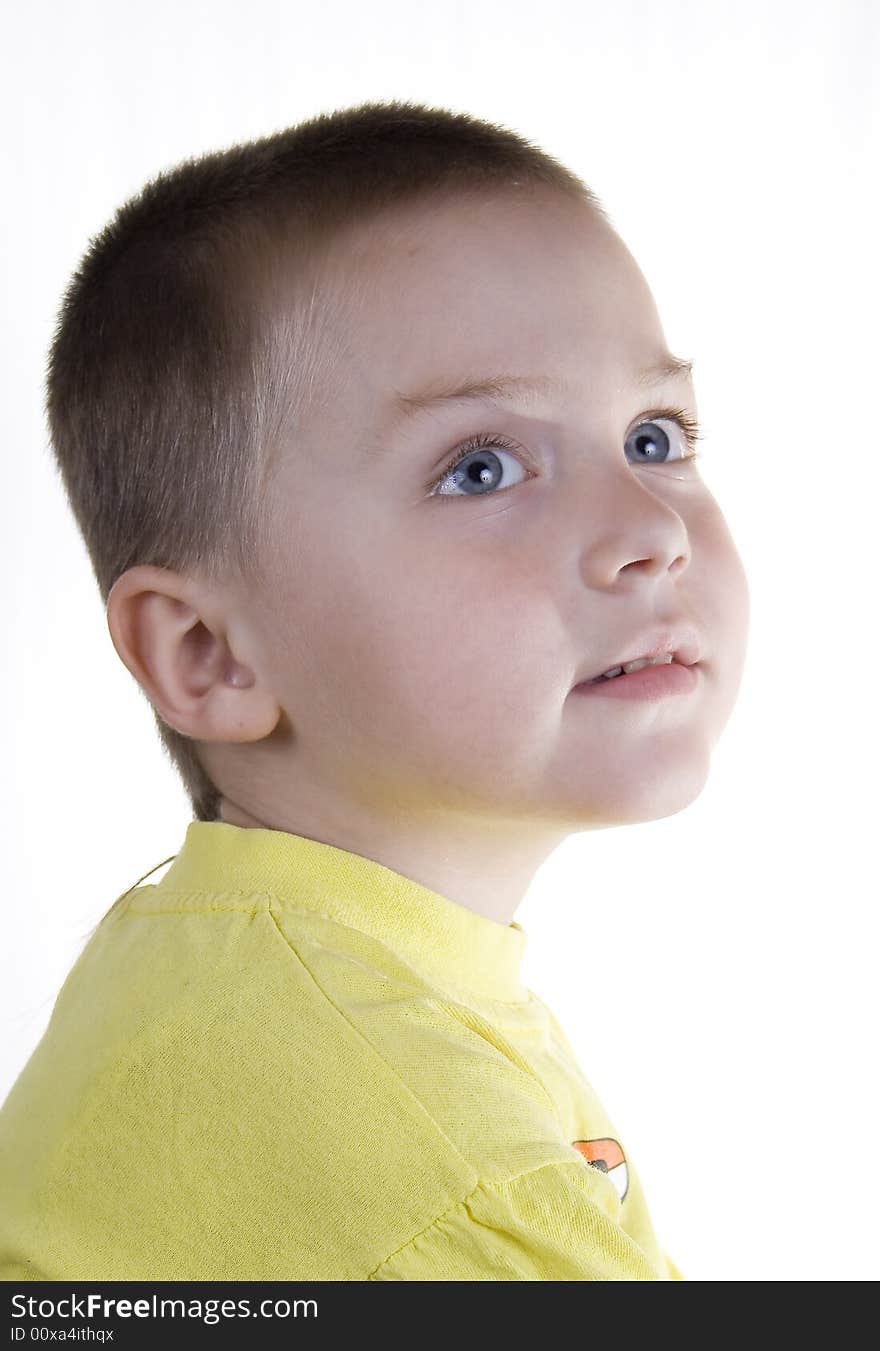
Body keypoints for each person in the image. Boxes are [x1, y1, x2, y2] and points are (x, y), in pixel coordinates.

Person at [0, 98, 749, 1280]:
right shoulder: (444, 1179)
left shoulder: (224, 966)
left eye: (653, 436)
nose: (649, 530)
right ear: (207, 653)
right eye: (482, 467)